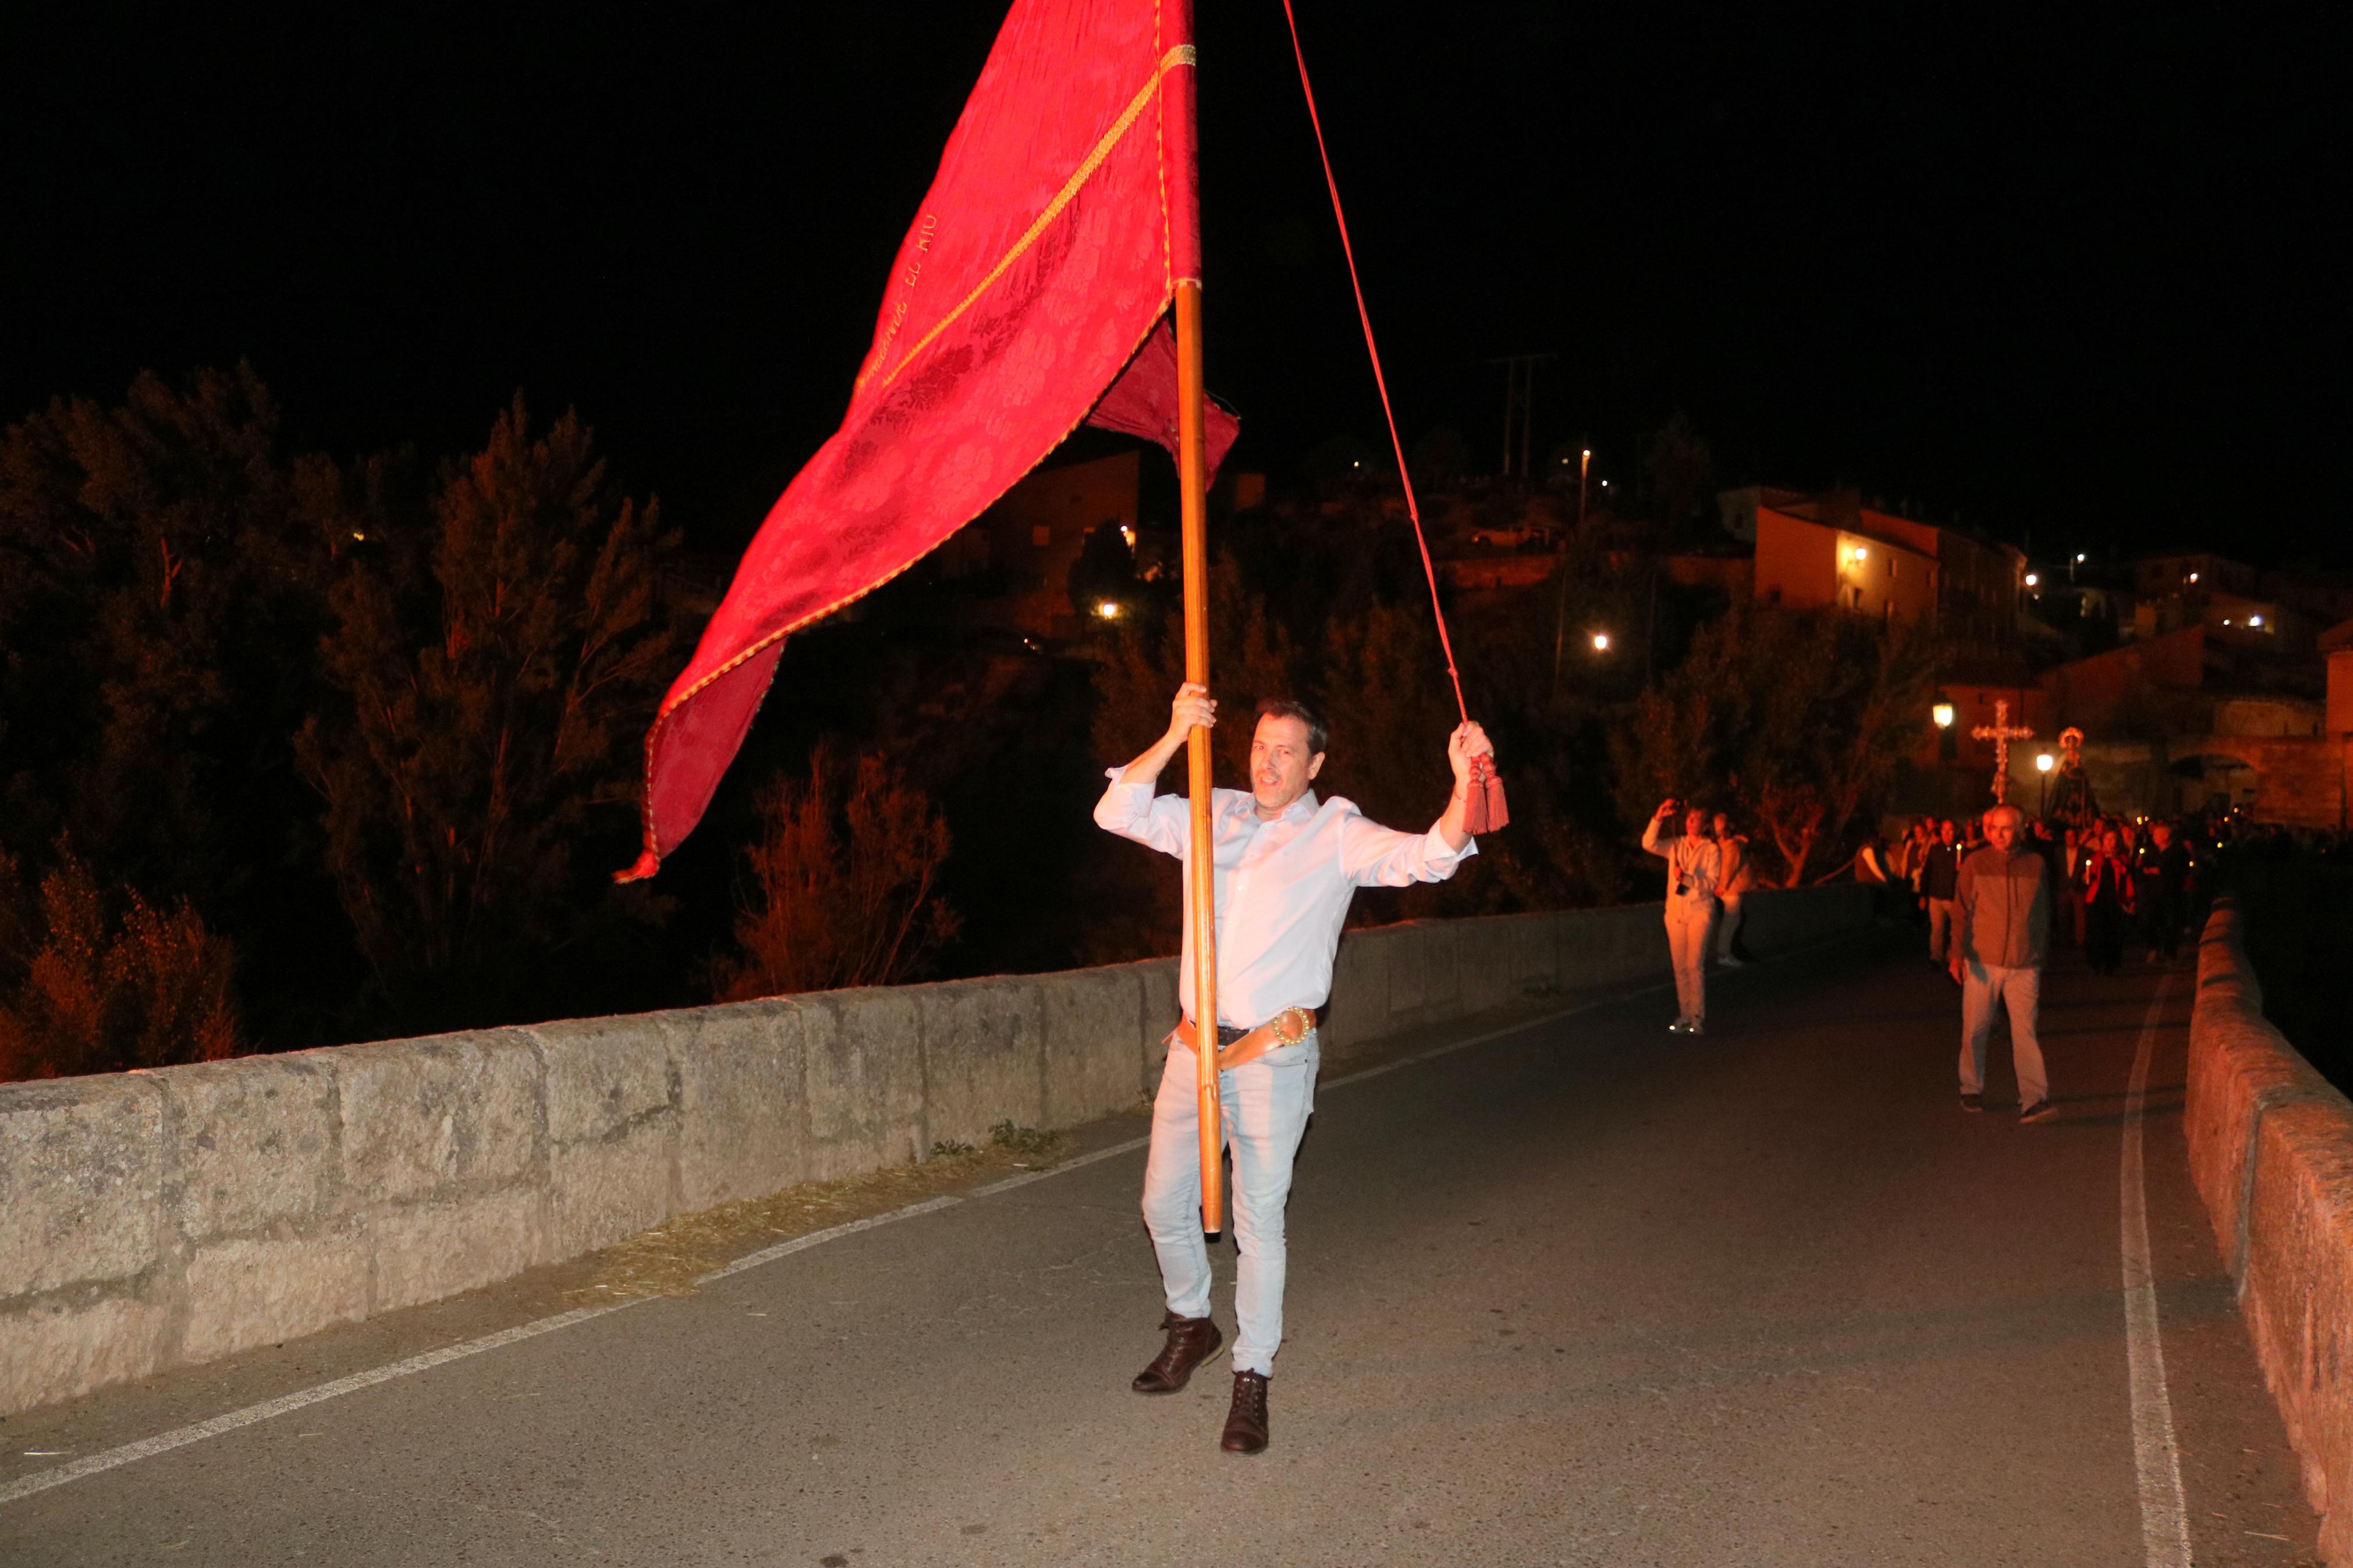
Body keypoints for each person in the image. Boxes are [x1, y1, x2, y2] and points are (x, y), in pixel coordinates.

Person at [1095, 682, 1490, 1455]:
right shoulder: (1212, 813)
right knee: (1161, 1204)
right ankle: (1190, 1323)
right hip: (1191, 1047)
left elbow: (1430, 857)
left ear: (1315, 763)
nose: (1267, 762)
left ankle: (1252, 1374)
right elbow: (1116, 810)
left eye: (1285, 750)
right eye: (1258, 745)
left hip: (1272, 1055)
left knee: (1256, 1221)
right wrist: (1176, 731)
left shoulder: (1334, 832)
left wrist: (1463, 781)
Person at [1950, 804, 2056, 1121]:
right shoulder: (1975, 862)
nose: (1999, 834)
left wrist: (2039, 954)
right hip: (1983, 962)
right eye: (1994, 828)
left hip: (2024, 964)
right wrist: (1957, 954)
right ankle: (1971, 1087)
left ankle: (2033, 1098)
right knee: (1976, 1028)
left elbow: (2042, 914)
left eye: (2006, 828)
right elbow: (1960, 911)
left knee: (2026, 1032)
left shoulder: (2036, 864)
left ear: (2020, 829)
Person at [1642, 799, 1722, 1033]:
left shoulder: (1711, 850)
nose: (1690, 822)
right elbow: (1649, 843)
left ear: (1705, 825)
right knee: (1680, 967)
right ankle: (1685, 1016)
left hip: (1700, 912)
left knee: (1694, 965)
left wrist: (1687, 878)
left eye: (1696, 819)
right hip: (1676, 913)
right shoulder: (1676, 845)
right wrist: (1659, 817)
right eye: (1689, 818)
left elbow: (1711, 884)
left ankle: (1697, 1017)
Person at [2081, 825, 2134, 976]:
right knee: (2096, 932)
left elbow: (2127, 878)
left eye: (2114, 839)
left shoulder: (2123, 858)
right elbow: (2087, 877)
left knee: (2113, 933)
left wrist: (2130, 899)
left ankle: (2111, 963)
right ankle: (2096, 963)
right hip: (2097, 901)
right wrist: (2086, 877)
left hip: (2114, 900)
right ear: (2103, 841)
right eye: (2108, 839)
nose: (2111, 842)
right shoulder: (2095, 857)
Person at [1712, 811, 1755, 968]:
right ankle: (1724, 953)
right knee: (1731, 921)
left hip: (1730, 888)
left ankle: (1727, 952)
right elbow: (1729, 868)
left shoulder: (1728, 844)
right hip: (1730, 889)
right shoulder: (1729, 846)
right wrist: (1722, 887)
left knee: (1734, 920)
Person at [1920, 817, 1962, 968]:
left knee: (1956, 929)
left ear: (1955, 832)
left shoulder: (1960, 851)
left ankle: (1952, 956)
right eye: (1944, 830)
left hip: (1952, 897)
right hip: (1936, 896)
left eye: (1950, 830)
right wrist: (1923, 894)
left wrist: (1961, 870)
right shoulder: (1935, 849)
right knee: (1937, 929)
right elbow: (1927, 872)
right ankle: (1936, 956)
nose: (1946, 834)